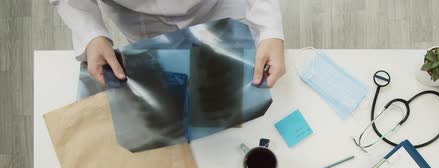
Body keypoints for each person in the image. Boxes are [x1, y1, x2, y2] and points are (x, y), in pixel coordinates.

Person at [51, 0, 286, 87]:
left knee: (234, 85)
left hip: (219, 7)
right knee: (166, 88)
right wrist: (91, 34)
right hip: (139, 17)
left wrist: (270, 30)